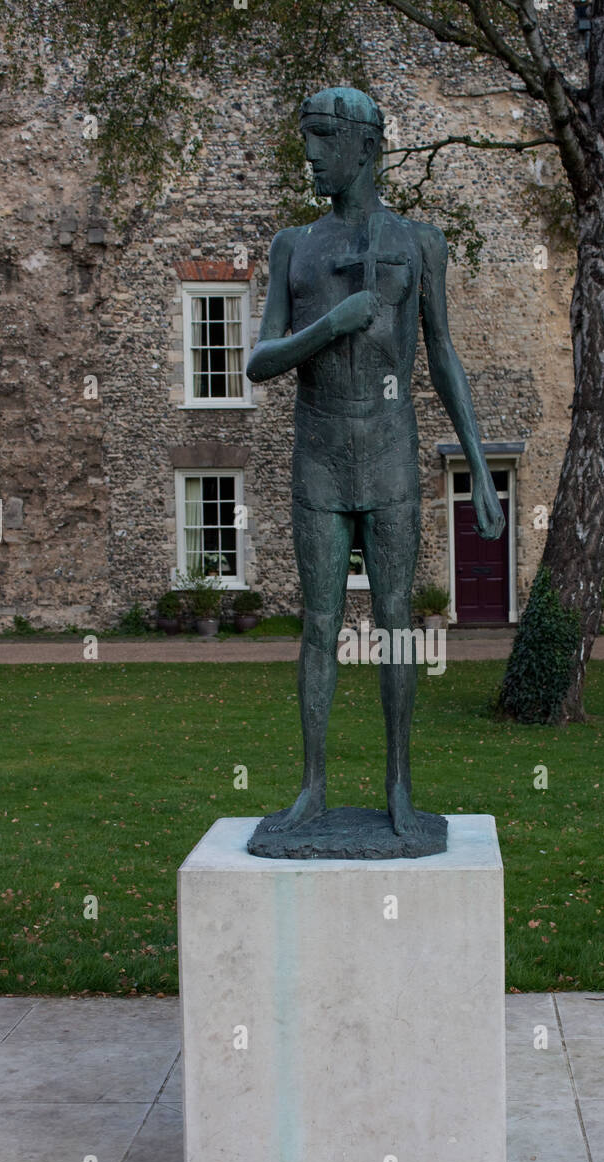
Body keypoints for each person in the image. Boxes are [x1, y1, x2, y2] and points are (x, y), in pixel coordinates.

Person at [247, 86, 504, 838]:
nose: (311, 153)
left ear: (365, 146)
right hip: (320, 457)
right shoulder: (293, 246)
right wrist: (328, 325)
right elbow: (260, 362)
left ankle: (398, 782)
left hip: (390, 455)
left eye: (323, 137)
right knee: (320, 624)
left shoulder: (419, 243)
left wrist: (481, 472)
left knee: (395, 623)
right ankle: (313, 787)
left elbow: (444, 358)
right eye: (307, 136)